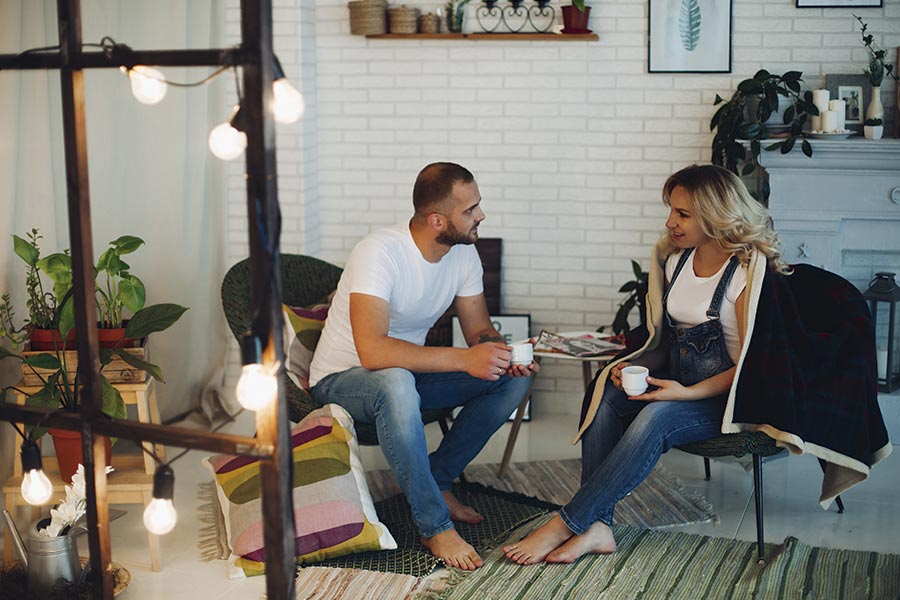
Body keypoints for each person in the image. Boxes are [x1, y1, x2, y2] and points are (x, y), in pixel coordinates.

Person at [504, 163, 790, 565]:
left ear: (715, 214)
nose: (670, 222)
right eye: (671, 210)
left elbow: (752, 367)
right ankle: (598, 527)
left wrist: (686, 393)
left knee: (657, 416)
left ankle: (566, 523)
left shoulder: (745, 272)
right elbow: (664, 339)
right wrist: (634, 367)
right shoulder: (675, 262)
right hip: (680, 387)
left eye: (683, 214)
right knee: (605, 395)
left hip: (729, 399)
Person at [309, 162, 539, 571]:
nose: (481, 215)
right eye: (470, 210)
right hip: (341, 381)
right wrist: (464, 359)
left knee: (509, 382)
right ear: (437, 220)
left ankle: (439, 478)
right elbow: (372, 353)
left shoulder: (463, 255)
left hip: (405, 378)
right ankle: (433, 525)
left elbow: (479, 330)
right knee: (396, 380)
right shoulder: (378, 252)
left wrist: (501, 354)